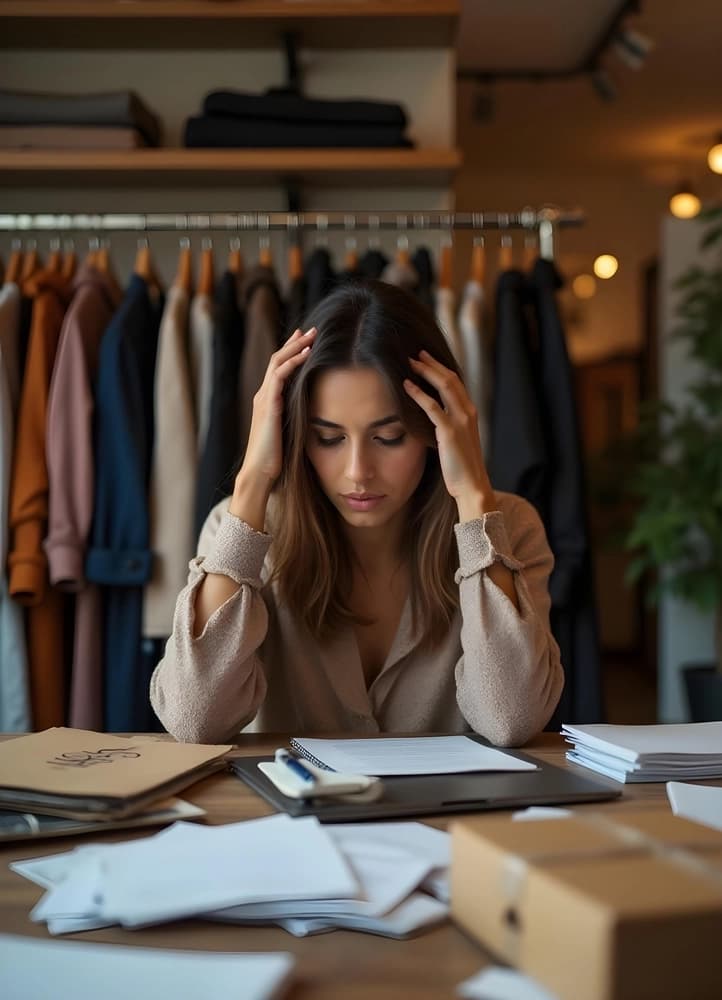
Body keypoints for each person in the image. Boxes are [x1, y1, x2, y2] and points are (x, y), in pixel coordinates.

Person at [150, 279, 563, 745]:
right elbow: (193, 719)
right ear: (296, 434)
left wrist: (472, 498)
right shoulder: (237, 530)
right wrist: (252, 482)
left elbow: (512, 719)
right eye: (328, 438)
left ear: (438, 429)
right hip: (292, 817)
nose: (358, 472)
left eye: (389, 438)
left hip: (450, 817)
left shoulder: (510, 527)